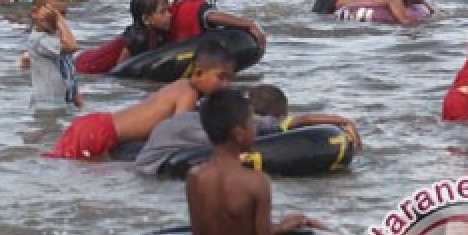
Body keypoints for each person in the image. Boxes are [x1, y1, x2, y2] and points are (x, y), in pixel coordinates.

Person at [45, 40, 236, 160]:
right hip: (100, 133)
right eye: (221, 77)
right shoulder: (188, 93)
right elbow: (179, 131)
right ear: (198, 73)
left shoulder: (179, 86)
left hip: (96, 126)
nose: (226, 85)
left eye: (230, 79)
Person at [186, 89, 321, 235]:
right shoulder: (256, 182)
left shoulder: (194, 177)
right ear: (239, 134)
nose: (255, 129)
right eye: (252, 123)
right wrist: (280, 230)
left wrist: (278, 228)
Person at [136, 84, 361, 176]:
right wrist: (342, 122)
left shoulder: (197, 178)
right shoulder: (254, 183)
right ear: (240, 131)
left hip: (140, 171)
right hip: (153, 171)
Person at [74, 0, 171, 75]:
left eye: (168, 10)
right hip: (86, 65)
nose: (169, 15)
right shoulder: (138, 38)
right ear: (146, 19)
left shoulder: (155, 33)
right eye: (163, 12)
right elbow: (119, 69)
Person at [25, 0, 80, 111]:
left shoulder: (57, 37)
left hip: (64, 103)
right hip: (47, 107)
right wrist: (60, 21)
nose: (58, 20)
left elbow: (69, 73)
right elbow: (72, 47)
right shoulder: (39, 39)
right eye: (53, 15)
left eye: (63, 14)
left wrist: (78, 100)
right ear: (35, 12)